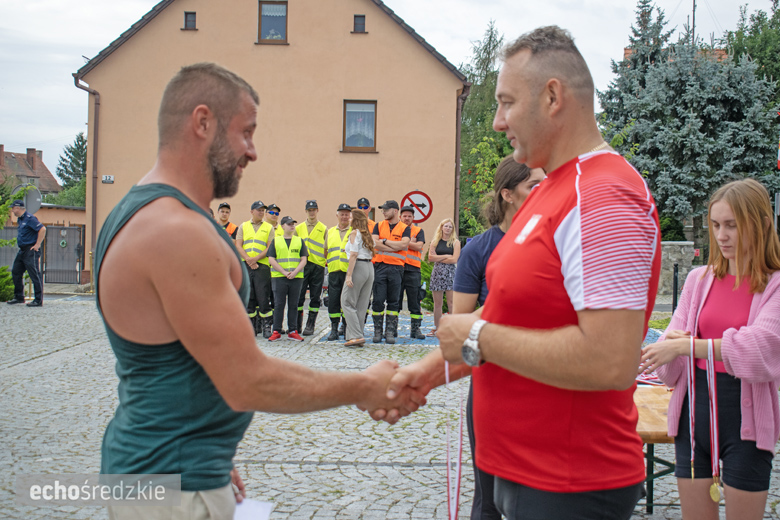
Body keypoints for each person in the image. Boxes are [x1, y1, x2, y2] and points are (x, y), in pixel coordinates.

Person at [93, 63, 423, 520]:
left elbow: (178, 361)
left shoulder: (139, 210)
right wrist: (362, 385)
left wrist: (212, 449)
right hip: (173, 488)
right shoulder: (177, 231)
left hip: (173, 468)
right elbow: (245, 378)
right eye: (245, 132)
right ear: (202, 122)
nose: (252, 152)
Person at [375, 27, 662, 520]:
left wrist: (478, 336)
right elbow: (511, 315)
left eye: (506, 102)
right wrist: (423, 375)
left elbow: (611, 359)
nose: (495, 122)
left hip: (571, 484)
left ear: (553, 96)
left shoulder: (604, 197)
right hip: (519, 474)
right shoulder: (549, 190)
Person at [640, 178, 780, 520]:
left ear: (761, 224)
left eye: (732, 225)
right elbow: (666, 363)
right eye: (716, 225)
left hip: (745, 419)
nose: (722, 236)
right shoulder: (698, 280)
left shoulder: (774, 284)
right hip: (693, 415)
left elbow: (760, 349)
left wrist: (689, 345)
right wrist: (679, 349)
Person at [452, 156, 545, 520]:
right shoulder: (479, 249)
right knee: (487, 499)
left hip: (543, 379)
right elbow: (460, 327)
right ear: (507, 194)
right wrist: (502, 310)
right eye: (532, 186)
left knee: (536, 497)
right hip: (492, 382)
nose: (543, 192)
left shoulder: (550, 242)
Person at [371, 200, 411, 344]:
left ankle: (389, 331)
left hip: (396, 268)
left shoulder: (404, 228)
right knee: (378, 301)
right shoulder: (378, 225)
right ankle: (377, 331)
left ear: (395, 211)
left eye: (386, 210)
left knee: (394, 302)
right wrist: (394, 246)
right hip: (380, 267)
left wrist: (385, 242)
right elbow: (374, 244)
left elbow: (404, 244)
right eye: (382, 210)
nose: (383, 212)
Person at [236, 200, 274, 338]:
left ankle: (266, 326)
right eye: (258, 210)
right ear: (252, 211)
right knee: (249, 296)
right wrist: (248, 259)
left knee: (263, 296)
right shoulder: (243, 226)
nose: (261, 212)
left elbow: (269, 247)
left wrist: (255, 259)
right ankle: (251, 326)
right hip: (246, 265)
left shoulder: (269, 228)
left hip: (262, 266)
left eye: (263, 210)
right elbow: (239, 245)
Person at [267, 216, 307, 341]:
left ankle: (293, 330)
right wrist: (283, 272)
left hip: (296, 277)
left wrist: (295, 272)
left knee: (294, 304)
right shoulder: (276, 240)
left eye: (293, 224)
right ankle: (277, 330)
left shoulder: (299, 241)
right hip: (279, 277)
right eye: (289, 224)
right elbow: (271, 259)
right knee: (279, 304)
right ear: (282, 226)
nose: (292, 226)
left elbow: (304, 259)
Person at [341, 209, 376, 347]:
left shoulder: (354, 233)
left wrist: (349, 275)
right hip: (369, 268)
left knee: (346, 302)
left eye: (350, 218)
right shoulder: (367, 235)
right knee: (361, 305)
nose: (348, 220)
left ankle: (356, 335)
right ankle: (357, 335)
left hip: (358, 268)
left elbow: (354, 254)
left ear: (355, 220)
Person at [295, 200, 327, 335]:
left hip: (318, 265)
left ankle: (310, 324)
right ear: (306, 211)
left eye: (314, 209)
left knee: (315, 297)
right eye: (309, 210)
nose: (312, 212)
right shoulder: (299, 228)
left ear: (317, 211)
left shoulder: (324, 228)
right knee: (299, 296)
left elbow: (326, 248)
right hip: (302, 265)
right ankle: (297, 324)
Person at [7, 199, 46, 307]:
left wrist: (37, 244)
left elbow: (42, 229)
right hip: (22, 250)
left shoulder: (30, 218)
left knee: (34, 275)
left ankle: (38, 300)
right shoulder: (20, 219)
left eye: (13, 208)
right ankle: (19, 297)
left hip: (30, 250)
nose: (12, 210)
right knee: (16, 272)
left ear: (18, 208)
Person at [427, 218, 460, 336]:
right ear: (441, 227)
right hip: (437, 273)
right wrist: (447, 255)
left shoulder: (456, 242)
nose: (448, 228)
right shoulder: (435, 241)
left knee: (451, 303)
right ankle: (437, 328)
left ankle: (452, 328)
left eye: (450, 227)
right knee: (437, 303)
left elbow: (454, 259)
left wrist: (439, 257)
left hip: (450, 273)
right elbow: (430, 258)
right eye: (446, 226)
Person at [325, 203, 353, 341]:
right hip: (334, 271)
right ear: (337, 215)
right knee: (333, 301)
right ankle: (334, 329)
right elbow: (326, 251)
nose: (344, 216)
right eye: (342, 214)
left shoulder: (354, 231)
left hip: (348, 272)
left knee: (347, 301)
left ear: (350, 216)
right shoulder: (329, 231)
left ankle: (346, 327)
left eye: (347, 214)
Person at [399, 205, 426, 340]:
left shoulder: (418, 230)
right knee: (395, 301)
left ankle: (416, 330)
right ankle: (391, 330)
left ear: (413, 218)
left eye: (409, 216)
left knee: (415, 302)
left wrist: (403, 242)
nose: (407, 218)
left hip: (414, 270)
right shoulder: (396, 230)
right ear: (400, 217)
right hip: (397, 269)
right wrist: (411, 242)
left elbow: (419, 246)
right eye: (404, 216)